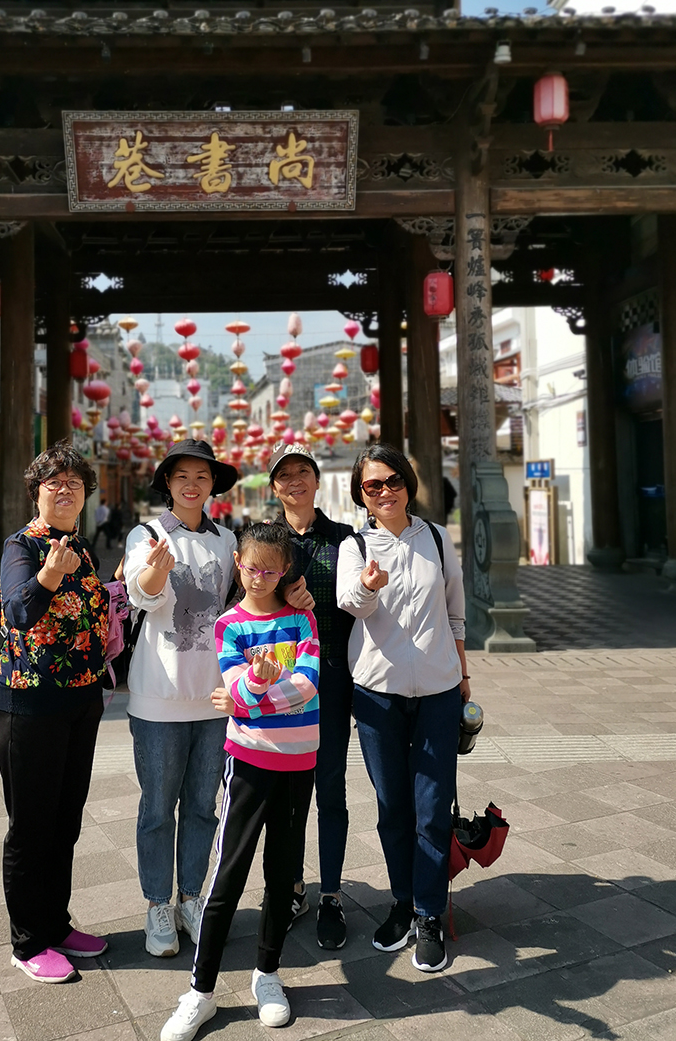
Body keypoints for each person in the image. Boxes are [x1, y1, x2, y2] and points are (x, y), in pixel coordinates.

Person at [161, 521, 319, 1041]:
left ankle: (267, 974)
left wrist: (251, 702)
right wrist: (255, 685)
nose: (259, 577)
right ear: (238, 564)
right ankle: (200, 991)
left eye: (270, 571)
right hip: (249, 762)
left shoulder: (302, 619)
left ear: (285, 570)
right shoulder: (229, 624)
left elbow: (309, 685)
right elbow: (236, 686)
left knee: (282, 874)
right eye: (251, 567)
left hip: (299, 762)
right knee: (227, 875)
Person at [336, 442, 469, 974]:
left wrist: (462, 674)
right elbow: (350, 602)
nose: (385, 491)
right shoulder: (354, 545)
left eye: (393, 481)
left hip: (438, 689)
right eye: (373, 485)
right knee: (393, 805)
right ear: (360, 494)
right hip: (376, 692)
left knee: (432, 808)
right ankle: (402, 902)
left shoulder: (436, 537)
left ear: (408, 484)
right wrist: (368, 586)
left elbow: (455, 609)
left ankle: (429, 913)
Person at [0, 440, 115, 984]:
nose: (65, 491)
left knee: (65, 821)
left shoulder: (81, 546)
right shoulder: (22, 546)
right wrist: (47, 577)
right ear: (36, 492)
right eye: (54, 483)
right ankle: (28, 941)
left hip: (80, 701)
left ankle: (56, 925)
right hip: (29, 703)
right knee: (31, 826)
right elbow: (17, 611)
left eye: (75, 484)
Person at [124, 439, 238, 960]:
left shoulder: (226, 540)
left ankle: (191, 897)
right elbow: (142, 594)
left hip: (214, 699)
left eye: (202, 476)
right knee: (157, 809)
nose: (192, 484)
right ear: (167, 484)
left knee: (202, 807)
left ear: (212, 485)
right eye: (182, 476)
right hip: (159, 698)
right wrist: (157, 568)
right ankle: (157, 904)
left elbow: (241, 604)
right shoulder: (147, 535)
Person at [267, 441, 355, 950]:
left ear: (318, 480)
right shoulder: (265, 540)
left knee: (331, 789)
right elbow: (246, 599)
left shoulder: (345, 539)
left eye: (303, 471)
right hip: (283, 683)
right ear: (274, 487)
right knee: (288, 794)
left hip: (335, 679)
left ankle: (332, 893)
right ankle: (293, 886)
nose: (295, 481)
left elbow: (359, 605)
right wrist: (282, 595)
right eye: (285, 474)